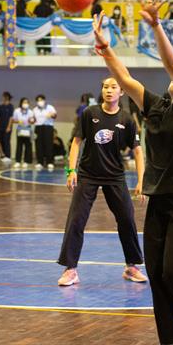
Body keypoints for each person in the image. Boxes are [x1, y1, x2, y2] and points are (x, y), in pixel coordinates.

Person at [92, 0, 173, 345]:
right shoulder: (157, 106)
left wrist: (156, 25)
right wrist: (104, 47)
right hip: (159, 198)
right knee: (157, 276)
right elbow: (125, 78)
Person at [57, 77, 147, 287]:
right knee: (76, 220)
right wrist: (72, 170)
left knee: (127, 218)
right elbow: (76, 142)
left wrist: (142, 180)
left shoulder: (127, 120)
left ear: (121, 92)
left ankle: (131, 266)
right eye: (106, 87)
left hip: (115, 176)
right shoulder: (90, 113)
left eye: (114, 87)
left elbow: (138, 151)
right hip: (88, 174)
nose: (109, 90)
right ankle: (71, 270)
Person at [9, 97, 35, 169]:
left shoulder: (30, 111)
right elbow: (13, 120)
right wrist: (18, 121)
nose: (25, 104)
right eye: (24, 102)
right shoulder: (17, 111)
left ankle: (26, 161)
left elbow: (33, 121)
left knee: (28, 146)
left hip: (28, 129)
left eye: (27, 102)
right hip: (20, 129)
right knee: (19, 145)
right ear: (21, 103)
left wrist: (31, 121)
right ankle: (18, 161)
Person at [33, 95, 57, 171]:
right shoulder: (35, 109)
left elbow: (55, 115)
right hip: (38, 127)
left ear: (44, 100)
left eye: (41, 100)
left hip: (48, 127)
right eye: (38, 100)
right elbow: (33, 119)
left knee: (48, 144)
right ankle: (40, 162)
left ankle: (50, 162)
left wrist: (52, 115)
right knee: (38, 144)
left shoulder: (50, 107)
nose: (40, 102)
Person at [0, 92, 14, 165]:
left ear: (8, 97)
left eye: (5, 96)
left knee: (6, 141)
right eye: (3, 96)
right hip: (1, 127)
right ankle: (3, 156)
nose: (3, 98)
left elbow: (11, 117)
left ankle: (8, 156)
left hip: (7, 127)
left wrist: (9, 127)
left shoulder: (10, 106)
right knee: (1, 141)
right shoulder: (1, 107)